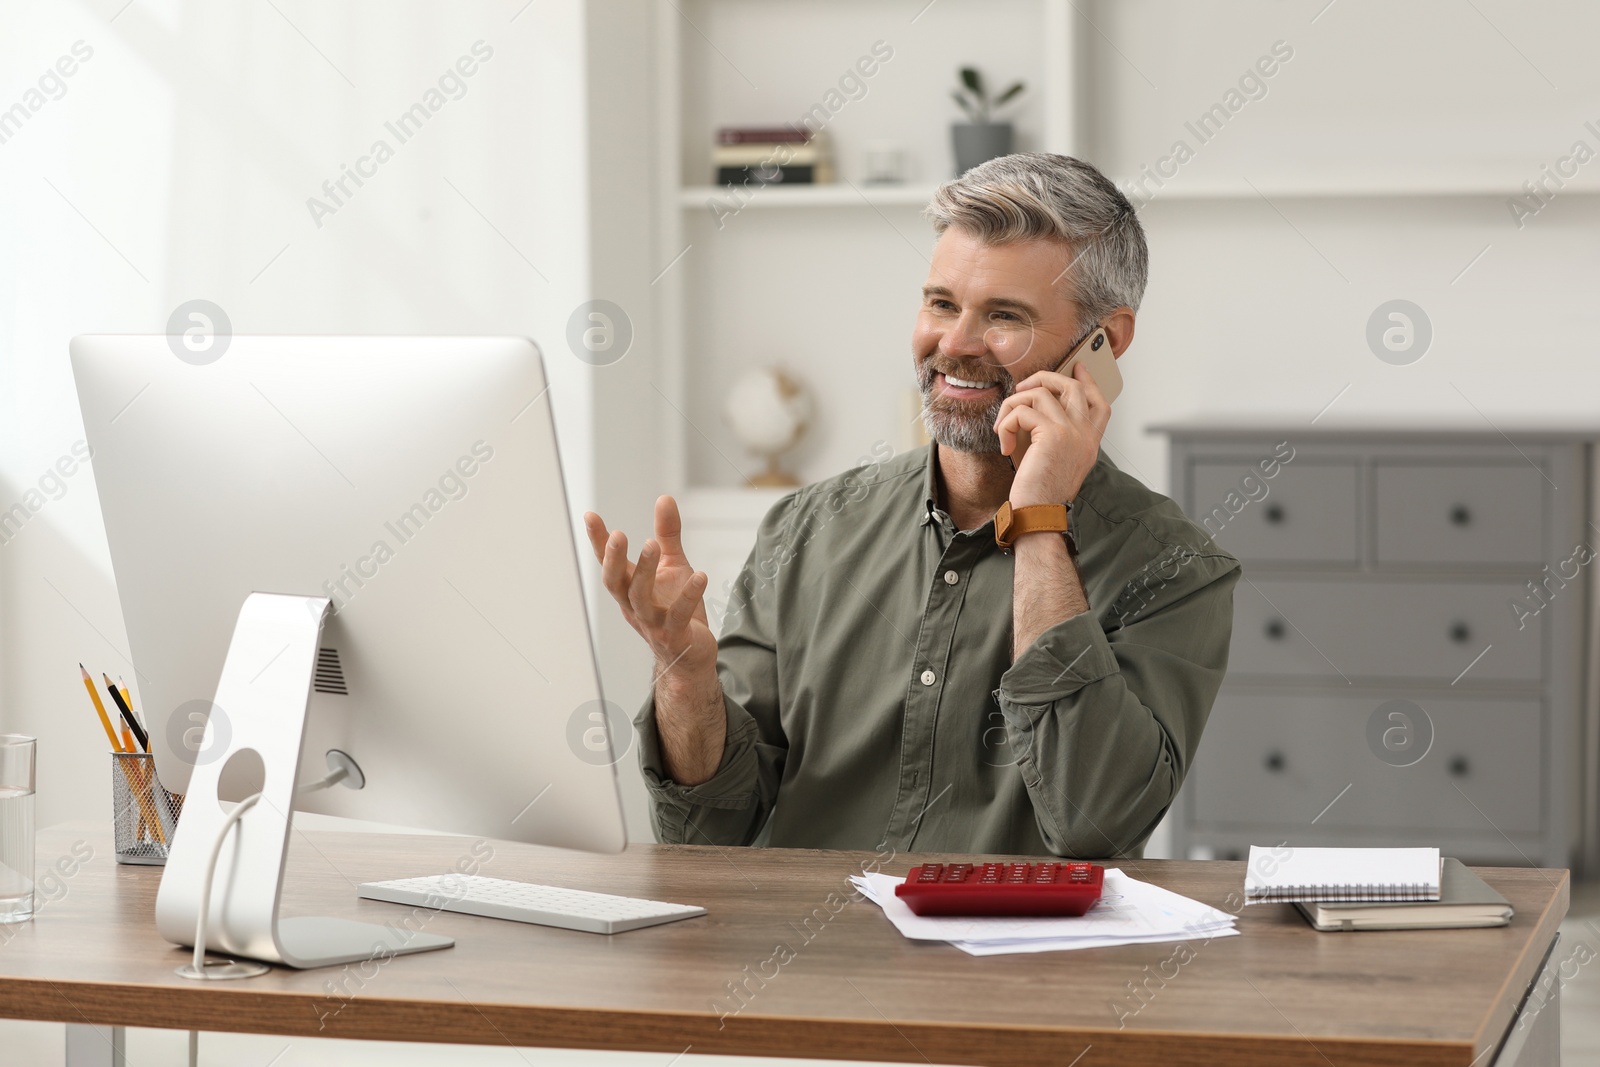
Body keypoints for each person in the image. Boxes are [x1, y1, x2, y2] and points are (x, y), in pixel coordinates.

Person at [584, 153, 1241, 859]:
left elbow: (1095, 823)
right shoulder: (807, 530)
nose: (953, 345)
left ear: (1102, 344)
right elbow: (713, 829)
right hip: (809, 961)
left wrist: (1041, 518)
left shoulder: (1175, 568)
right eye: (941, 303)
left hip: (1028, 968)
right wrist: (684, 679)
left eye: (1005, 317)